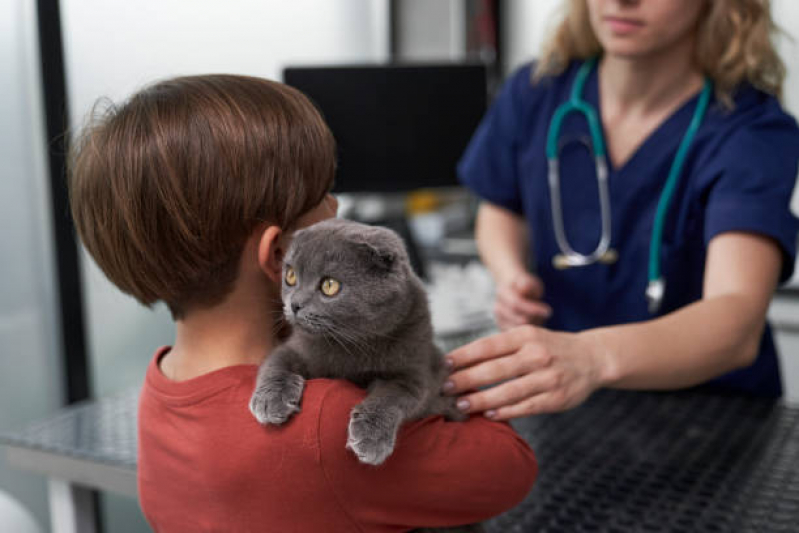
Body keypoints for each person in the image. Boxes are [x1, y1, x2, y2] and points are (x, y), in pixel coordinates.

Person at [68, 75, 537, 532]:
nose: (335, 208)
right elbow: (510, 468)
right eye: (322, 195)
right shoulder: (328, 425)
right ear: (278, 255)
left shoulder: (160, 387)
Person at [446, 0, 799, 420]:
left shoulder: (750, 130)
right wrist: (511, 278)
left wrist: (592, 356)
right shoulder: (538, 89)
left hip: (711, 418)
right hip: (569, 404)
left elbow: (736, 322)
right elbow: (501, 206)